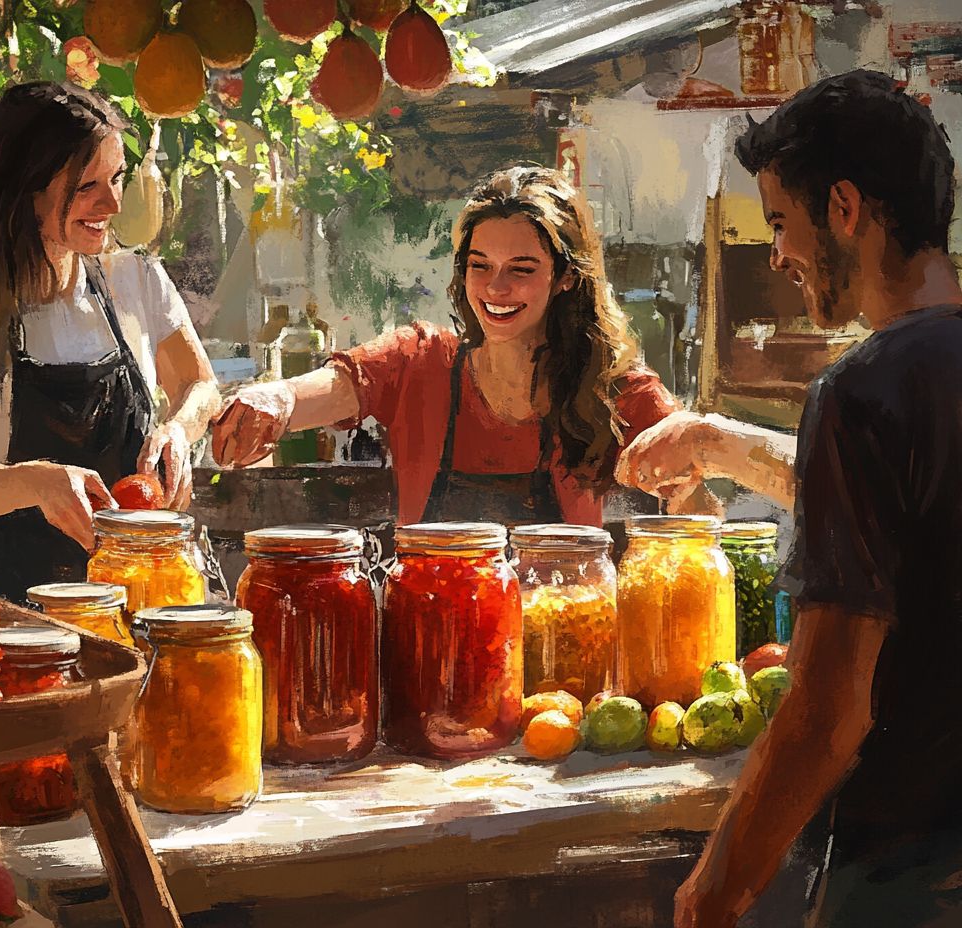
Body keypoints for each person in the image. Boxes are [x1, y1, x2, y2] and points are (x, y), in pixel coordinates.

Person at [638, 71, 962, 928]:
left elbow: (827, 708)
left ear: (846, 209)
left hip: (903, 881)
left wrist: (715, 890)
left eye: (781, 223)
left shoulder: (860, 393)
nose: (777, 254)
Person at [213, 166, 706, 527]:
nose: (495, 288)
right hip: (429, 638)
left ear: (565, 280)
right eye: (480, 265)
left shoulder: (612, 386)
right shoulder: (418, 363)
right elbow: (329, 388)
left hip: (558, 638)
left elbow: (696, 496)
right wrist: (275, 399)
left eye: (521, 269)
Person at [0, 82, 219, 602]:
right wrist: (35, 483)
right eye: (87, 186)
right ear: (22, 190)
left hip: (149, 593)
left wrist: (181, 429)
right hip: (20, 609)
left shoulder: (135, 281)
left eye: (115, 178)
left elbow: (202, 385)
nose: (112, 203)